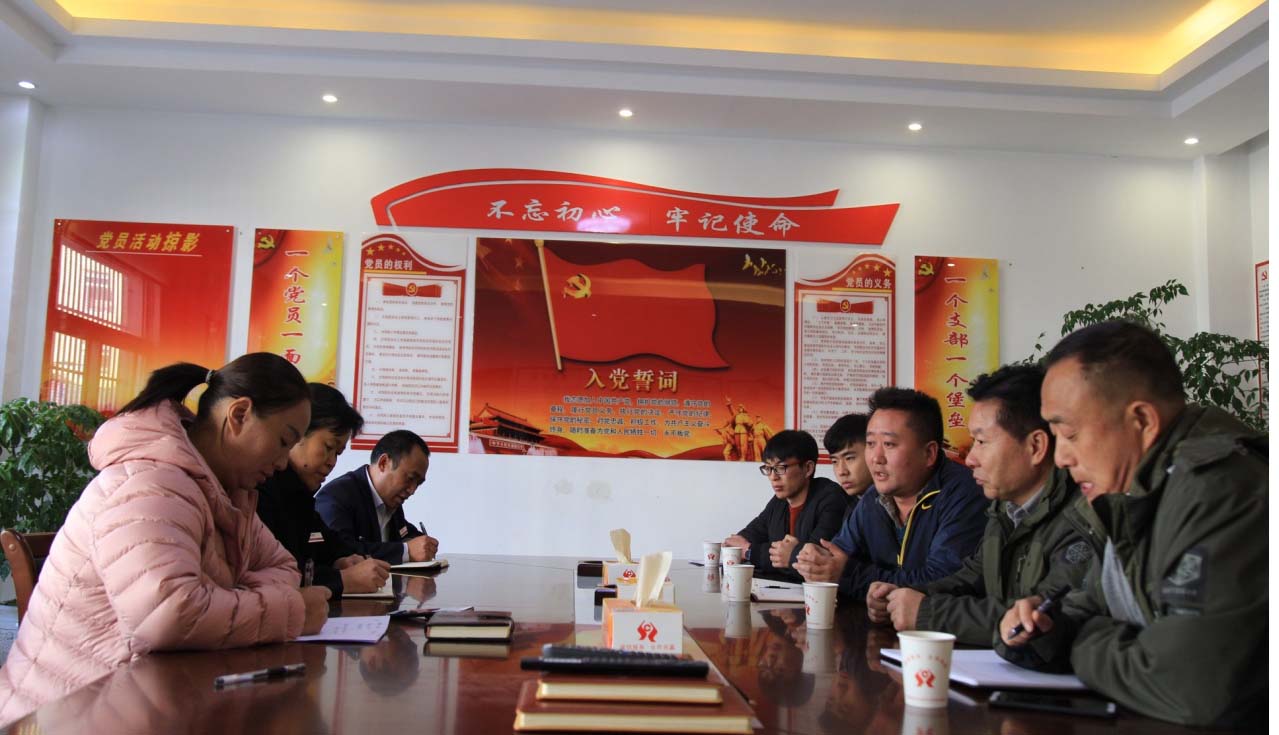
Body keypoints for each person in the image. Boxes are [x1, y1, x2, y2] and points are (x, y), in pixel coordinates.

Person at [0, 354, 331, 726]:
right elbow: (169, 615)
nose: (284, 462)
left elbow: (281, 564)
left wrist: (219, 601)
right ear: (239, 415)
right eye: (283, 441)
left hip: (145, 701)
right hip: (61, 714)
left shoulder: (227, 494)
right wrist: (291, 612)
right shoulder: (149, 484)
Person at [996, 321, 1266, 729]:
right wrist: (1040, 627)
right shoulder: (1136, 492)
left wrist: (1078, 641)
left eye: (1069, 434)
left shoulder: (1219, 489)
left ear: (1141, 420)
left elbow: (1188, 685)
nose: (1061, 458)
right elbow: (1085, 604)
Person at [874, 364, 1101, 644]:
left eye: (981, 441)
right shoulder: (1004, 510)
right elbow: (972, 577)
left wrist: (927, 612)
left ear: (1036, 447)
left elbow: (1045, 620)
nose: (970, 459)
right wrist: (902, 595)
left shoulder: (1080, 519)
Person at [794, 387, 986, 600]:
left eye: (889, 444)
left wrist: (846, 574)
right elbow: (837, 555)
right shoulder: (873, 498)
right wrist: (816, 562)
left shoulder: (964, 493)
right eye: (870, 444)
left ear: (929, 453)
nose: (876, 458)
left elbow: (941, 581)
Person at [256, 383, 390, 596]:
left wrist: (343, 560)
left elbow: (328, 544)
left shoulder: (301, 495)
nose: (332, 462)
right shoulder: (261, 489)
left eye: (338, 453)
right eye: (328, 447)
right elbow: (278, 575)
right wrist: (343, 580)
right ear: (297, 433)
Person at [722, 430, 846, 581]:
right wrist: (743, 548)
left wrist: (751, 552)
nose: (773, 477)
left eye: (780, 468)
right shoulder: (779, 502)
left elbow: (811, 561)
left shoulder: (831, 498)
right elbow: (745, 538)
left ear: (808, 468)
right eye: (768, 468)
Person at [315, 430, 438, 564]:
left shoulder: (391, 499)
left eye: (418, 483)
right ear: (383, 463)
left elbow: (404, 532)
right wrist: (406, 551)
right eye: (410, 478)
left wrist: (422, 543)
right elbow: (342, 550)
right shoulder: (337, 497)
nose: (412, 490)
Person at [822, 413, 872, 524]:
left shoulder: (891, 504)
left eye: (849, 458)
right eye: (835, 461)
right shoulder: (849, 504)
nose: (841, 472)